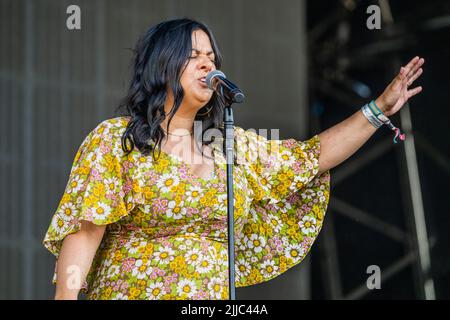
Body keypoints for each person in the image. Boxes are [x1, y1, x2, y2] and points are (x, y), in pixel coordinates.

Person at [43, 18, 424, 300]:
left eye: (212, 57)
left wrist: (379, 109)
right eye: (194, 56)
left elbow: (313, 157)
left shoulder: (230, 148)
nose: (209, 65)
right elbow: (85, 232)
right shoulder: (116, 140)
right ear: (162, 66)